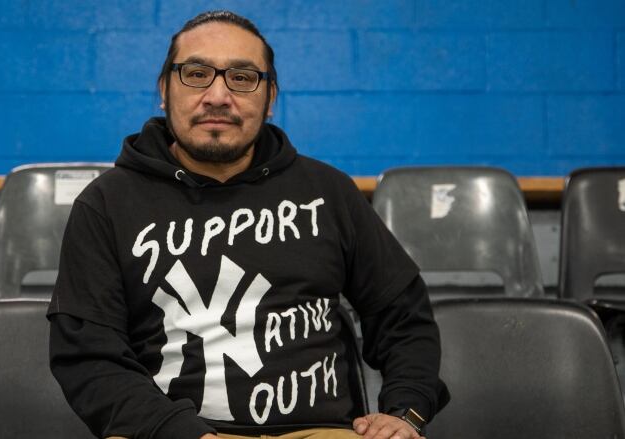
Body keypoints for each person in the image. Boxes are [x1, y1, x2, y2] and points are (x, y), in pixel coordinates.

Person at [48, 10, 449, 439]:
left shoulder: (328, 192)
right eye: (196, 73)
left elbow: (402, 314)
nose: (218, 95)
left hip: (321, 432)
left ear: (270, 96)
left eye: (242, 77)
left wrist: (405, 411)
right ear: (164, 89)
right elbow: (88, 356)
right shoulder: (106, 203)